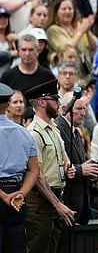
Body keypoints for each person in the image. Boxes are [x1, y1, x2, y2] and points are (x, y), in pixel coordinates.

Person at [25, 79, 76, 253]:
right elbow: (37, 175)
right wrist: (57, 205)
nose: (59, 104)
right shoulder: (34, 132)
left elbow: (61, 158)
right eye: (55, 100)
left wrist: (68, 167)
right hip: (41, 202)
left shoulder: (53, 128)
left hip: (55, 196)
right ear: (42, 102)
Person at [55, 92, 98, 250]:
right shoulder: (58, 129)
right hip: (65, 203)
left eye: (85, 108)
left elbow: (79, 163)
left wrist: (92, 170)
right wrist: (83, 169)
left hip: (78, 205)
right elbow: (57, 166)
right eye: (79, 108)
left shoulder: (76, 131)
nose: (84, 113)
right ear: (64, 108)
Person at [0, 83, 39, 253]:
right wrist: (20, 194)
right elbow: (34, 169)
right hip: (17, 195)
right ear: (8, 105)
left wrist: (4, 196)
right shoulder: (24, 133)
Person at [46, 0, 98, 80]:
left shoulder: (78, 27)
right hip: (67, 75)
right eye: (64, 9)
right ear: (57, 12)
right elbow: (66, 49)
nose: (67, 11)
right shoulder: (53, 30)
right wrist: (80, 33)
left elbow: (94, 47)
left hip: (84, 74)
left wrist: (87, 32)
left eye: (70, 9)